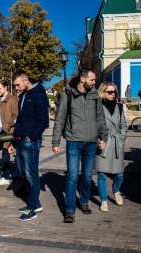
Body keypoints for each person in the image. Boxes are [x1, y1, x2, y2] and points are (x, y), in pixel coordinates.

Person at [52, 68, 108, 223]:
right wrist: (56, 141)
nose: (94, 82)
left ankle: (83, 202)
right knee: (72, 176)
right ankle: (69, 210)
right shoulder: (68, 95)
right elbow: (60, 119)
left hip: (91, 142)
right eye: (92, 80)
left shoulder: (95, 95)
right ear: (83, 80)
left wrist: (104, 136)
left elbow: (100, 117)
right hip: (74, 142)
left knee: (88, 176)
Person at [8, 70, 49, 221]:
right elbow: (20, 121)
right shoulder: (23, 95)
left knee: (31, 174)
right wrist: (14, 142)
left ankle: (33, 207)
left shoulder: (38, 94)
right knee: (23, 173)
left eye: (17, 85)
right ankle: (35, 203)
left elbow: (44, 120)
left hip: (30, 141)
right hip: (20, 141)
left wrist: (32, 137)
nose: (16, 88)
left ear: (26, 81)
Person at [95, 82, 127, 212]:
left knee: (119, 174)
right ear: (103, 92)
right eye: (109, 92)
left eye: (114, 92)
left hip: (116, 143)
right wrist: (99, 140)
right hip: (104, 142)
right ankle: (103, 200)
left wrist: (122, 137)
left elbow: (123, 125)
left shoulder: (119, 107)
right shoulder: (97, 107)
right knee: (102, 174)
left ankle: (116, 190)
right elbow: (94, 125)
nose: (113, 94)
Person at [0, 79, 18, 185]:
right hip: (0, 130)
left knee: (5, 153)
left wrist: (7, 126)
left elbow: (16, 116)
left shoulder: (12, 99)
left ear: (5, 87)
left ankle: (6, 176)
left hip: (7, 131)